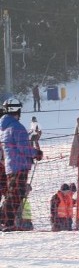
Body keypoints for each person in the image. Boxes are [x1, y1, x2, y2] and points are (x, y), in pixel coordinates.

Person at [0, 99, 42, 231]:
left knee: (14, 193)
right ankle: (5, 221)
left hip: (11, 165)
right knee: (15, 195)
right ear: (17, 110)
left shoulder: (5, 128)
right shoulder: (17, 127)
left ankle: (8, 222)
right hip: (20, 165)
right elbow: (23, 148)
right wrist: (36, 153)